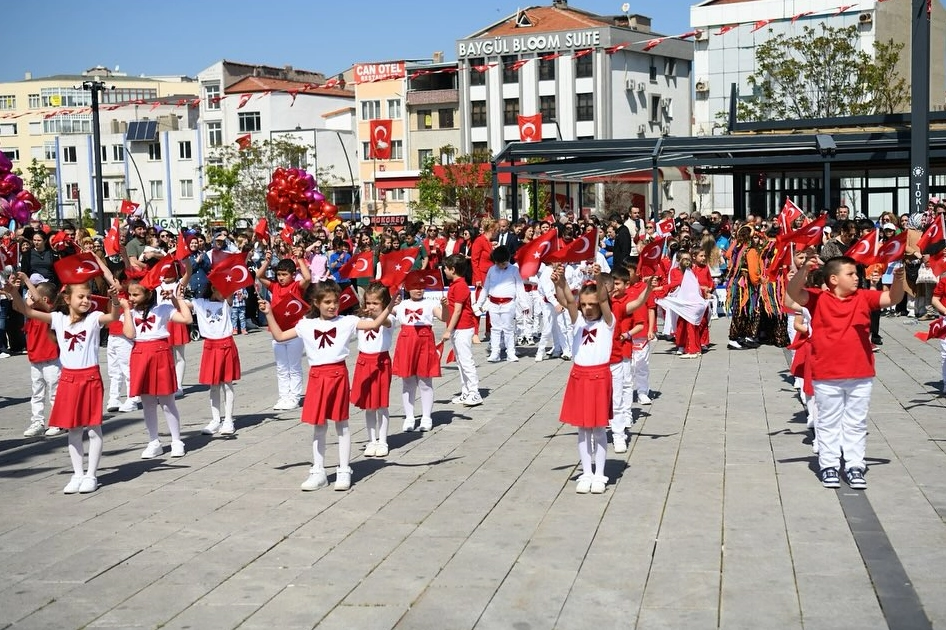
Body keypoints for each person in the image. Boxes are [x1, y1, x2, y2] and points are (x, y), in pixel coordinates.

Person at [259, 280, 398, 492]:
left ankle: (344, 469)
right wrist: (269, 313)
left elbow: (373, 324)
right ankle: (318, 471)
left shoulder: (347, 321)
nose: (333, 306)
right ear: (316, 302)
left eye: (336, 302)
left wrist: (389, 306)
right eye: (327, 302)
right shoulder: (306, 324)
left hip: (338, 375)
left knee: (341, 424)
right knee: (319, 426)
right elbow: (279, 336)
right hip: (317, 377)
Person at [787, 254, 904, 489]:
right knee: (828, 422)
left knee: (856, 423)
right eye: (850, 274)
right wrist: (804, 271)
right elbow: (792, 293)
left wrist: (900, 279)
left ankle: (854, 466)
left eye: (856, 274)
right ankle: (829, 465)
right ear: (833, 279)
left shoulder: (864, 297)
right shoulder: (818, 299)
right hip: (827, 374)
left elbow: (892, 298)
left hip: (860, 373)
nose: (856, 279)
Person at [4, 277, 124, 493]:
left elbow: (114, 316)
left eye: (88, 297)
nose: (86, 300)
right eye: (81, 297)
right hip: (68, 379)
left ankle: (91, 475)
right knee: (73, 429)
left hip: (90, 379)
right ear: (67, 299)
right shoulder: (57, 319)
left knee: (94, 429)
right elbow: (28, 311)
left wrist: (114, 298)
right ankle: (77, 474)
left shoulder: (94, 318)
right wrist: (13, 292)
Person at [551, 264, 614, 494]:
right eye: (584, 304)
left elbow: (605, 301)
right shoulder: (578, 321)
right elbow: (568, 299)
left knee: (598, 429)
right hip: (579, 376)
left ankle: (600, 474)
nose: (588, 309)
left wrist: (597, 278)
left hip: (599, 377)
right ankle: (586, 472)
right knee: (582, 429)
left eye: (592, 305)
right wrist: (560, 281)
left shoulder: (608, 323)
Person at [125, 279, 193, 459]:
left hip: (160, 353)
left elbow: (187, 318)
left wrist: (176, 299)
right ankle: (153, 441)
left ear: (147, 294)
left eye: (135, 294)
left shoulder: (163, 309)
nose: (131, 298)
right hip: (140, 354)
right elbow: (130, 334)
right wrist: (125, 310)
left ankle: (177, 440)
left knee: (167, 401)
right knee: (147, 401)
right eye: (130, 294)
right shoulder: (129, 312)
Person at [257, 252, 312, 410]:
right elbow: (259, 276)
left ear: (292, 275)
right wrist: (267, 262)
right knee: (281, 367)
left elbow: (307, 278)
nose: (281, 278)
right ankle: (283, 396)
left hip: (294, 331)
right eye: (278, 274)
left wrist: (300, 259)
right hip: (277, 331)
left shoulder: (296, 286)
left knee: (293, 366)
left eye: (284, 275)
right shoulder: (274, 286)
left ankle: (294, 396)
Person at [9, 275, 62, 437]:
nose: (29, 297)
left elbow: (39, 299)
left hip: (51, 359)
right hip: (35, 359)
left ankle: (57, 421)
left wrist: (26, 280)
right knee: (37, 392)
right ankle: (37, 422)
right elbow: (17, 306)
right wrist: (14, 289)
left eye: (31, 295)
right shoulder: (31, 311)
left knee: (54, 391)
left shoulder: (50, 311)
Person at [351, 282, 396, 457]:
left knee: (381, 405)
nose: (371, 307)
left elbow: (383, 321)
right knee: (368, 406)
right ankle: (372, 440)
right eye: (368, 303)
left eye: (375, 303)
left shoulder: (390, 318)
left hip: (380, 362)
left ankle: (383, 440)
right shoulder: (360, 320)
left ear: (384, 304)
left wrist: (382, 312)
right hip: (363, 362)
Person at [393, 274, 442, 432]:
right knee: (407, 381)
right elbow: (382, 313)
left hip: (424, 341)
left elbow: (444, 317)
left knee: (425, 381)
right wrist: (391, 302)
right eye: (414, 287)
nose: (418, 290)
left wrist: (446, 306)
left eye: (421, 286)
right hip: (406, 341)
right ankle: (409, 417)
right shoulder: (401, 305)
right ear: (407, 288)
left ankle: (427, 417)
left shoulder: (430, 303)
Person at [191, 283, 241, 436]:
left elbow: (231, 290)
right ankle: (215, 420)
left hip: (226, 343)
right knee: (213, 385)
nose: (226, 293)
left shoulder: (226, 302)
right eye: (222, 290)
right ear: (213, 289)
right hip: (210, 346)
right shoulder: (200, 303)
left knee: (227, 383)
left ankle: (228, 420)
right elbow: (182, 303)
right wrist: (175, 295)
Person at [440, 254, 482, 406]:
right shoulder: (454, 285)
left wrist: (448, 330)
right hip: (458, 328)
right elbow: (452, 308)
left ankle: (475, 392)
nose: (444, 271)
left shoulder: (460, 286)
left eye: (445, 268)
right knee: (460, 361)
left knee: (466, 361)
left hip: (463, 328)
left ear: (453, 269)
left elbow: (458, 311)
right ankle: (466, 392)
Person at [474, 246, 526, 363]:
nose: (501, 266)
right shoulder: (492, 270)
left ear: (508, 259)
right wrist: (479, 303)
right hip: (493, 303)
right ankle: (495, 352)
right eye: (498, 263)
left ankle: (511, 352)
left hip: (508, 303)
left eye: (503, 263)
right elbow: (486, 287)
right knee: (495, 329)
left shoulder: (513, 270)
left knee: (508, 328)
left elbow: (519, 287)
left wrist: (524, 305)